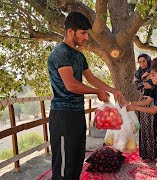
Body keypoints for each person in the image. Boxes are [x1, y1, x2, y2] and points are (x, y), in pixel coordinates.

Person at [47, 12, 124, 180]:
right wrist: (97, 92)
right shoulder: (60, 53)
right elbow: (71, 84)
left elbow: (91, 78)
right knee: (63, 166)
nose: (86, 37)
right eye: (83, 33)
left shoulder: (79, 56)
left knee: (76, 160)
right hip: (62, 117)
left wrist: (112, 90)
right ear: (70, 32)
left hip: (76, 115)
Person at [126, 61, 157, 180]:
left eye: (153, 75)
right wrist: (130, 103)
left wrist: (134, 108)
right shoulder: (156, 89)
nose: (150, 77)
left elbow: (153, 110)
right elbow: (146, 102)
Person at [134, 54, 157, 160]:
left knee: (154, 127)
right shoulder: (138, 73)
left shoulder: (154, 71)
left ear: (148, 61)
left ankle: (156, 154)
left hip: (154, 101)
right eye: (140, 62)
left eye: (144, 61)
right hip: (143, 101)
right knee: (144, 128)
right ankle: (146, 154)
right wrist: (144, 78)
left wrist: (148, 79)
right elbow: (137, 86)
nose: (142, 63)